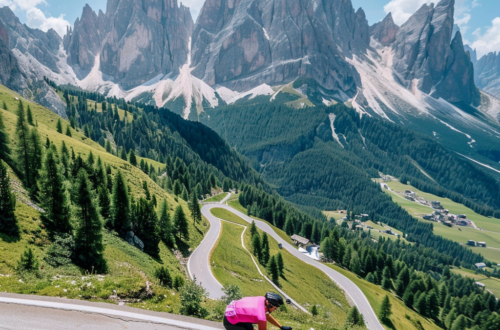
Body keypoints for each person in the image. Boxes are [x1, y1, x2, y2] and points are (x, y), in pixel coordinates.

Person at [223, 292, 292, 330]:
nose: (275, 310)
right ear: (270, 305)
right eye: (275, 308)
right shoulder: (261, 317)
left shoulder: (262, 299)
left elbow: (267, 316)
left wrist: (281, 327)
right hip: (231, 322)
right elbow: (264, 317)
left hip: (234, 313)